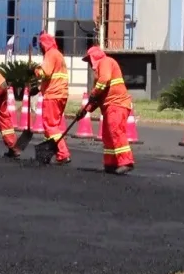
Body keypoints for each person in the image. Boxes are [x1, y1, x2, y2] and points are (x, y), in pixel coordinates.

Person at [76, 45, 135, 175]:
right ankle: (110, 163)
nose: (89, 63)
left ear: (94, 57)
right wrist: (85, 110)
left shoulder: (106, 62)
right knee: (108, 135)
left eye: (90, 59)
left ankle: (126, 161)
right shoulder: (99, 73)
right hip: (109, 106)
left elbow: (104, 80)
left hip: (117, 104)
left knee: (116, 131)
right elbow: (97, 98)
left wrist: (94, 92)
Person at [35, 31, 71, 165]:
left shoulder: (50, 54)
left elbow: (45, 73)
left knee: (50, 126)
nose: (40, 48)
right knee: (54, 125)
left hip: (53, 95)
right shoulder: (59, 55)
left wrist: (34, 71)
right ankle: (52, 152)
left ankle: (63, 153)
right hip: (61, 94)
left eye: (40, 45)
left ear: (44, 44)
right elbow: (53, 77)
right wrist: (39, 88)